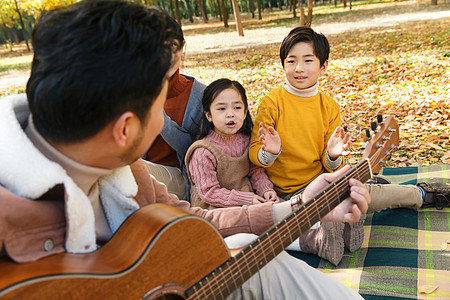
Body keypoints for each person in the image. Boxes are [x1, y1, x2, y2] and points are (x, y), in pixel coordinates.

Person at [0, 1, 370, 298]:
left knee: (239, 245)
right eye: (162, 102)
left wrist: (297, 207)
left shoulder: (125, 169)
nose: (166, 120)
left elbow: (194, 224)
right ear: (125, 129)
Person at [249, 25, 450, 265]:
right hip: (285, 194)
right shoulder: (271, 103)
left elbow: (331, 166)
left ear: (323, 66)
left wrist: (333, 155)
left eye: (308, 60)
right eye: (291, 61)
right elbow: (254, 155)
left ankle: (422, 195)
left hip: (321, 183)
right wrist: (269, 152)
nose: (299, 68)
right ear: (283, 64)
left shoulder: (329, 107)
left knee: (362, 194)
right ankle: (325, 232)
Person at [185, 78, 278, 210]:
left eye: (237, 108)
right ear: (209, 115)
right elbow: (209, 192)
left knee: (282, 209)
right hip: (216, 210)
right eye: (222, 109)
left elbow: (255, 171)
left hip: (249, 203)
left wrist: (266, 190)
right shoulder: (202, 152)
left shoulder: (247, 141)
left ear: (245, 112)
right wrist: (247, 199)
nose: (230, 114)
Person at [141, 15, 206, 201]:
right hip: (142, 177)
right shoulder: (136, 91)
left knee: (126, 170)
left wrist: (157, 114)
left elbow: (194, 151)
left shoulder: (201, 96)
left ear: (183, 47)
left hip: (181, 180)